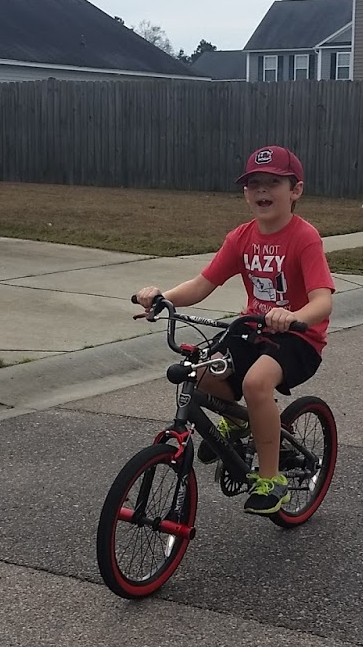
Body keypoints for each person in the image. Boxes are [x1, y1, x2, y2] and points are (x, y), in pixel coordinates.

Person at [135, 145, 335, 516]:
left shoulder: (304, 237)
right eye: (253, 184)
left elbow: (322, 301)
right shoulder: (241, 238)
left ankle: (271, 480)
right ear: (245, 193)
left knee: (256, 384)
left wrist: (292, 316)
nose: (262, 191)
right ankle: (239, 427)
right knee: (203, 373)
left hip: (298, 338)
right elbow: (202, 283)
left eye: (273, 182)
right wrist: (164, 298)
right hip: (251, 329)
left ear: (295, 190)